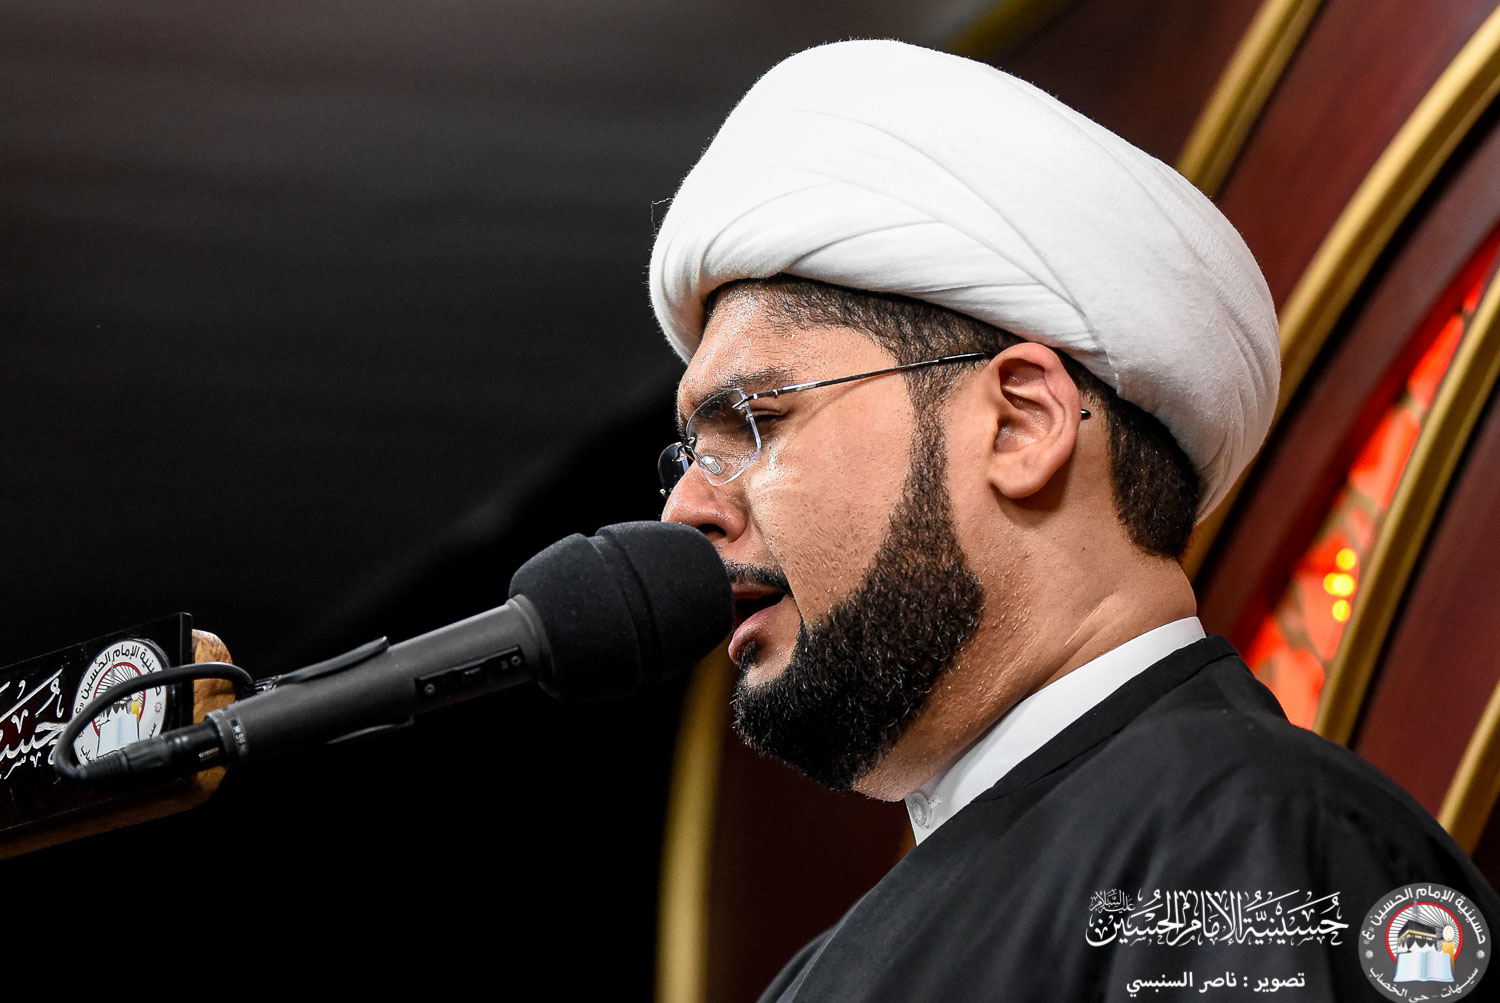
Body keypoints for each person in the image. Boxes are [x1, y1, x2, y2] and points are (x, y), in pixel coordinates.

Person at [650, 40, 1499, 1001]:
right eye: (690, 454)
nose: (686, 507)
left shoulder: (1244, 846)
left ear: (1021, 424)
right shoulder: (829, 968)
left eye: (756, 422)